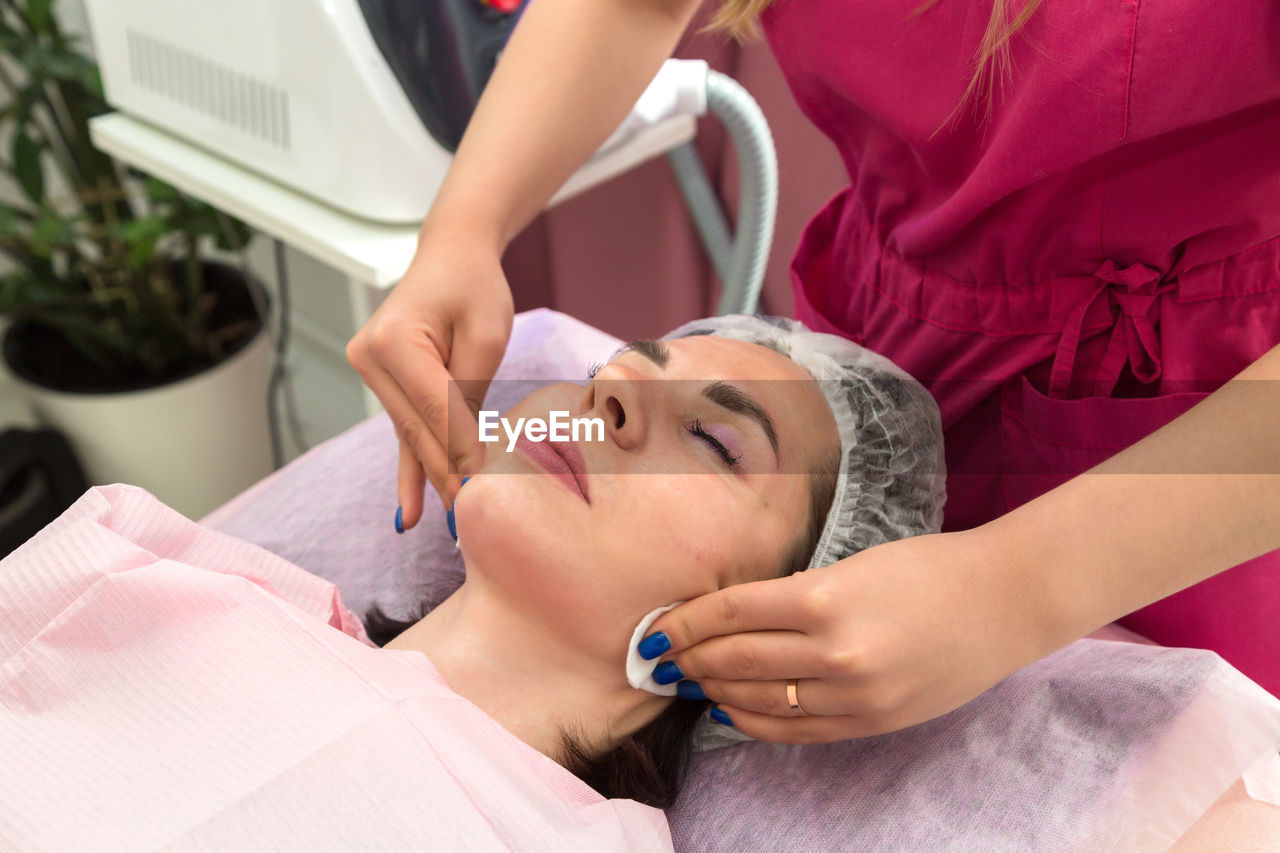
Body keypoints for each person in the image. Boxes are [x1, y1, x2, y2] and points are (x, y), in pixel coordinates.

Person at [345, 0, 1280, 742]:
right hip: (889, 305)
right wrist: (463, 229)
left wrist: (1024, 585)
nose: (613, 391)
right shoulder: (221, 610)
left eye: (714, 437)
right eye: (619, 370)